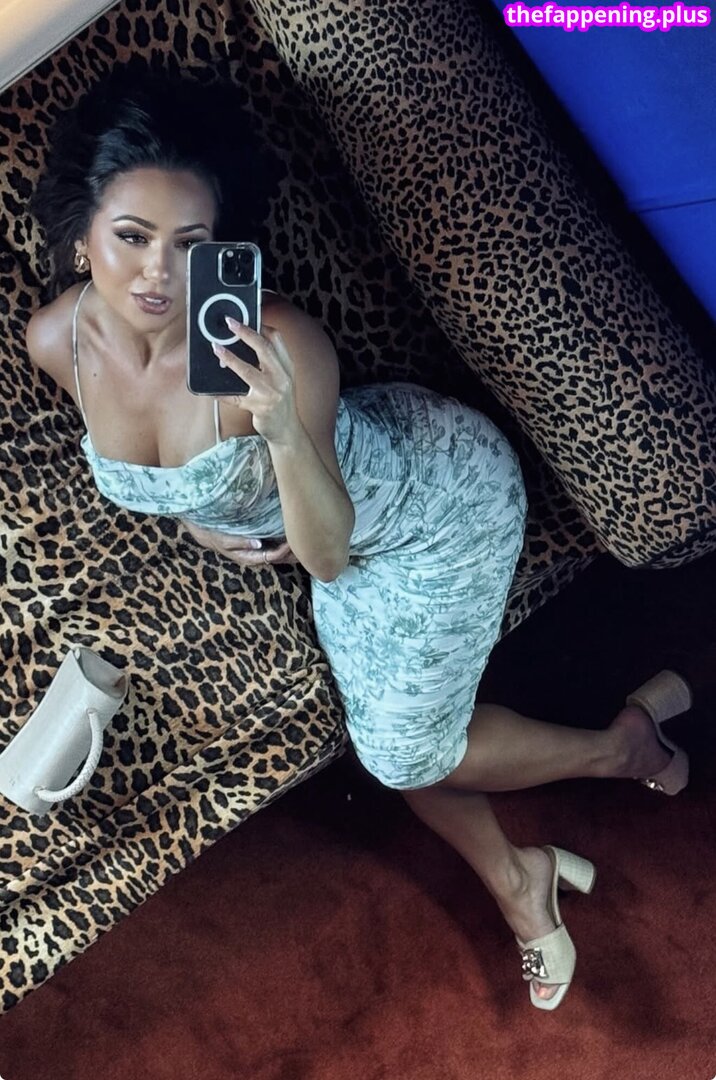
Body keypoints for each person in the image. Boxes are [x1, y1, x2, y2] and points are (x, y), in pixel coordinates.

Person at [25, 66, 694, 1011]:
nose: (158, 276)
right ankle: (526, 871)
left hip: (433, 505)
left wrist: (281, 428)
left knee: (403, 758)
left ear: (224, 247)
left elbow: (328, 553)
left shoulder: (278, 344)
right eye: (130, 237)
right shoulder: (55, 342)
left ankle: (620, 751)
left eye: (191, 244)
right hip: (340, 538)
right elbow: (153, 472)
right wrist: (201, 520)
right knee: (398, 744)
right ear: (80, 235)